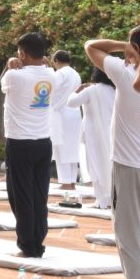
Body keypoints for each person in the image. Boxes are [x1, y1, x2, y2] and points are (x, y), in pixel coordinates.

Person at [85, 26, 140, 279]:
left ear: (136, 49)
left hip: (130, 170)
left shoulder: (127, 76)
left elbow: (92, 47)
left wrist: (122, 46)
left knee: (130, 242)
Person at [0, 32, 55, 258]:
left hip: (19, 142)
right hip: (44, 141)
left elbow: (2, 84)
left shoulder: (14, 76)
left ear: (22, 53)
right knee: (39, 195)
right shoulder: (52, 74)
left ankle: (27, 245)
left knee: (21, 195)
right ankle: (38, 242)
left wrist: (9, 65)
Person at [67, 68, 115, 209]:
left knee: (95, 165)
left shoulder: (90, 90)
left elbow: (71, 103)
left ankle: (102, 200)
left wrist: (78, 89)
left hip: (93, 134)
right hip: (111, 133)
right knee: (108, 165)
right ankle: (110, 199)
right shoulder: (115, 91)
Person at [51, 50, 83, 189]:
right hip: (74, 113)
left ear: (56, 61)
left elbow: (51, 90)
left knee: (61, 147)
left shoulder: (60, 73)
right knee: (73, 148)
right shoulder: (76, 74)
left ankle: (65, 182)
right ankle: (72, 181)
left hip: (61, 114)